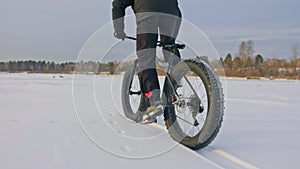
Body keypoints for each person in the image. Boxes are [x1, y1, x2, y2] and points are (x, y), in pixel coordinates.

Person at [112, 0, 182, 123]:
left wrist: (119, 30)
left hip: (148, 14)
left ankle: (154, 101)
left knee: (146, 56)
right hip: (172, 14)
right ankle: (175, 84)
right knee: (169, 49)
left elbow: (118, 4)